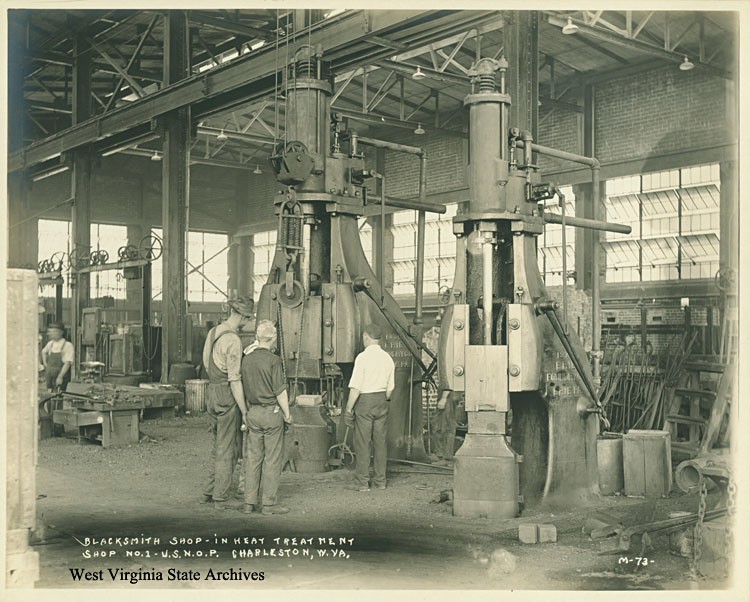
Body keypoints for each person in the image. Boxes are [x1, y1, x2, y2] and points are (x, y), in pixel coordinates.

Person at [200, 297, 254, 509]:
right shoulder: (233, 340)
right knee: (227, 447)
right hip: (225, 395)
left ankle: (209, 490)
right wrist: (244, 410)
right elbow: (234, 380)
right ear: (242, 316)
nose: (248, 322)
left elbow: (207, 363)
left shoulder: (214, 332)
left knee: (217, 445)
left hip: (211, 392)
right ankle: (220, 497)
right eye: (248, 318)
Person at [240, 320, 292, 515]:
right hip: (271, 413)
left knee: (253, 458)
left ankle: (248, 502)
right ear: (273, 338)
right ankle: (268, 504)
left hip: (252, 412)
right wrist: (287, 413)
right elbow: (280, 391)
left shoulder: (246, 359)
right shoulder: (273, 360)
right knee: (272, 459)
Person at [345, 323, 395, 492]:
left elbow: (356, 387)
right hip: (382, 400)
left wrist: (348, 409)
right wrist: (381, 399)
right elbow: (390, 389)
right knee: (380, 443)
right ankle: (380, 482)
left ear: (366, 337)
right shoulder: (388, 358)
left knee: (363, 443)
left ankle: (362, 483)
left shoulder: (362, 358)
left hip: (365, 402)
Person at [41, 322, 74, 392]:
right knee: (48, 396)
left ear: (61, 332)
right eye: (49, 332)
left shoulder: (67, 345)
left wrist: (60, 377)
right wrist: (45, 364)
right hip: (49, 375)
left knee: (57, 397)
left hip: (60, 374)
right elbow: (43, 352)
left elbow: (67, 363)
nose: (50, 334)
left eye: (53, 332)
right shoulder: (50, 343)